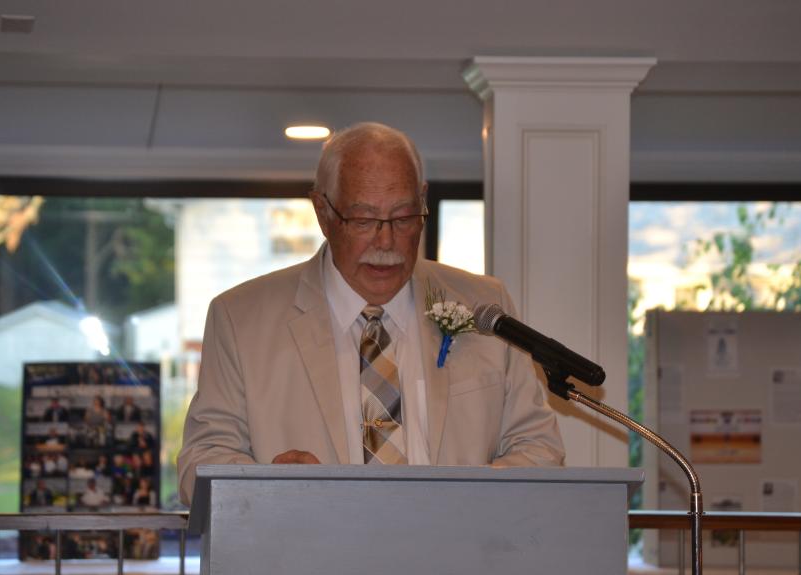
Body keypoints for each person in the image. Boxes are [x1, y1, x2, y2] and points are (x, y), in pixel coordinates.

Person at [178, 122, 564, 505]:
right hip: (307, 558)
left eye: (403, 217)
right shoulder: (241, 318)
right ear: (323, 212)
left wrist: (466, 504)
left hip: (456, 557)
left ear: (423, 200)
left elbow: (539, 447)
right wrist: (270, 487)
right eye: (363, 220)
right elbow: (201, 463)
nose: (386, 241)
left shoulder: (483, 306)